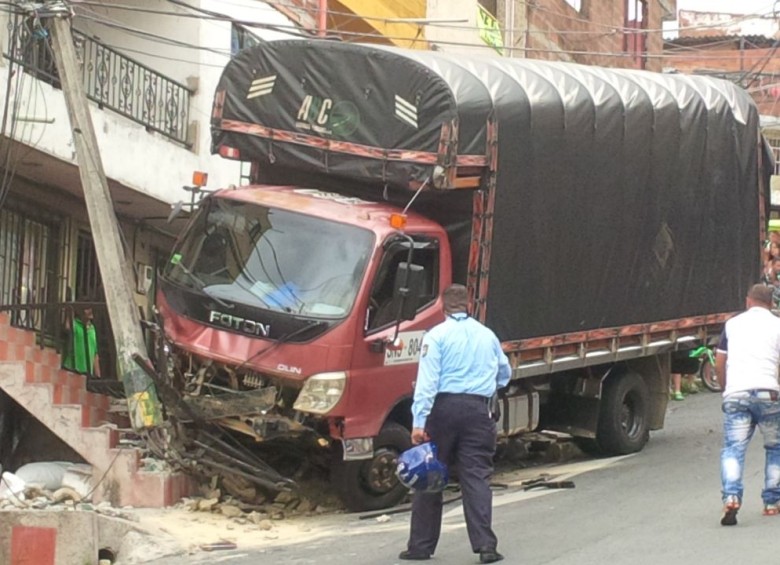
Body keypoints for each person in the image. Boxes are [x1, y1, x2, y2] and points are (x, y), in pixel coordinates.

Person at [399, 284, 511, 563]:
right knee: (476, 477)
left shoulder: (436, 336)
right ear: (469, 305)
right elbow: (504, 373)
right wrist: (486, 386)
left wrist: (418, 422)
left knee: (431, 474)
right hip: (478, 411)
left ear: (443, 307)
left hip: (443, 410)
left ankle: (421, 547)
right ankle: (486, 546)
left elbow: (427, 383)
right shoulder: (488, 336)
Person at [715, 284, 780, 526]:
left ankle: (731, 496)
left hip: (737, 393)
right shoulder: (777, 324)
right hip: (768, 394)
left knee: (733, 448)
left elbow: (721, 361)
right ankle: (772, 502)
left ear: (748, 301)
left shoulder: (732, 324)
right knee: (775, 447)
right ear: (771, 303)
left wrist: (725, 389)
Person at [62, 299, 101, 377]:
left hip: (87, 372)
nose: (90, 311)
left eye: (91, 308)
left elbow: (95, 354)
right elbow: (67, 326)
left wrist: (98, 375)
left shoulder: (93, 329)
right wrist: (70, 309)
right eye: (87, 309)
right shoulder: (76, 324)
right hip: (72, 368)